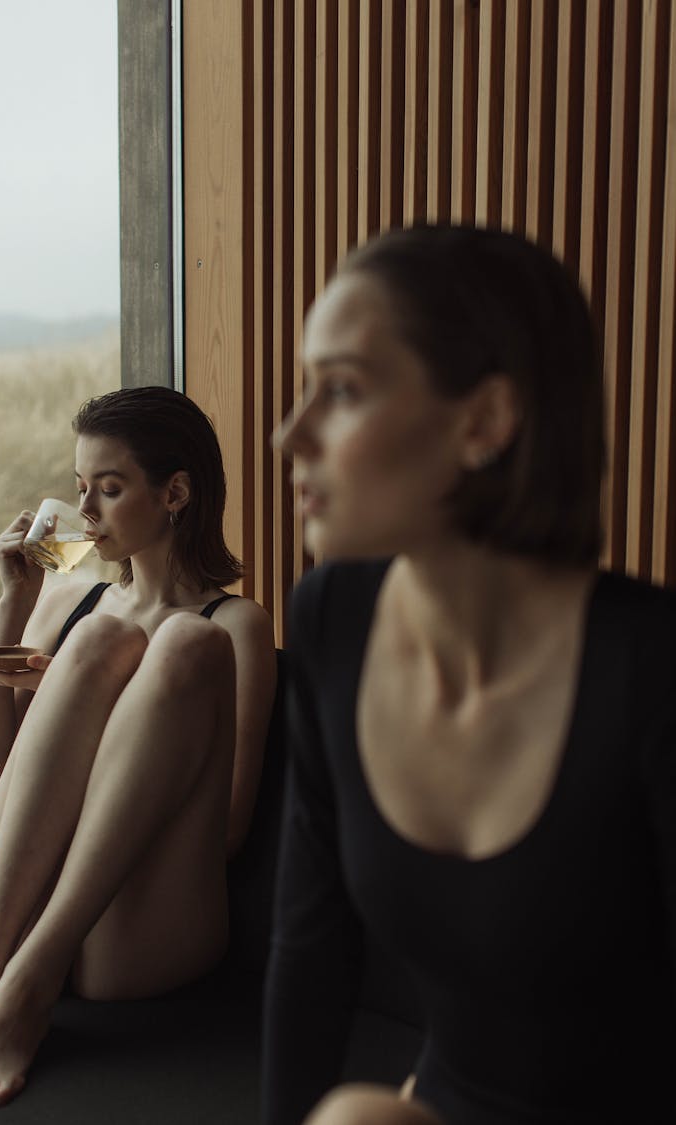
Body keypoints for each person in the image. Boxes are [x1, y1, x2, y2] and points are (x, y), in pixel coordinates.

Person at [261, 225, 676, 1124]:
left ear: (484, 419)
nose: (288, 433)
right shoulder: (332, 616)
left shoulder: (653, 673)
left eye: (341, 390)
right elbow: (310, 942)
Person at [0, 385, 277, 1112]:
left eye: (109, 490)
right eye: (81, 487)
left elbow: (232, 829)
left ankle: (25, 986)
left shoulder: (234, 624)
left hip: (129, 930)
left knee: (181, 639)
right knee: (104, 636)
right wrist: (14, 605)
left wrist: (120, 719)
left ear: (175, 491)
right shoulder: (71, 608)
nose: (84, 513)